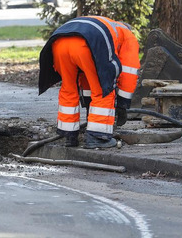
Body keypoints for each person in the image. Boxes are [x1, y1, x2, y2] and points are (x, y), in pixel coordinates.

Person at [38, 15, 140, 149]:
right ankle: (97, 138)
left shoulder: (106, 24)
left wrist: (88, 103)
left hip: (59, 43)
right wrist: (122, 104)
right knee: (104, 90)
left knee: (69, 89)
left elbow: (87, 76)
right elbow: (129, 72)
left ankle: (69, 135)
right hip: (86, 45)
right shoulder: (128, 36)